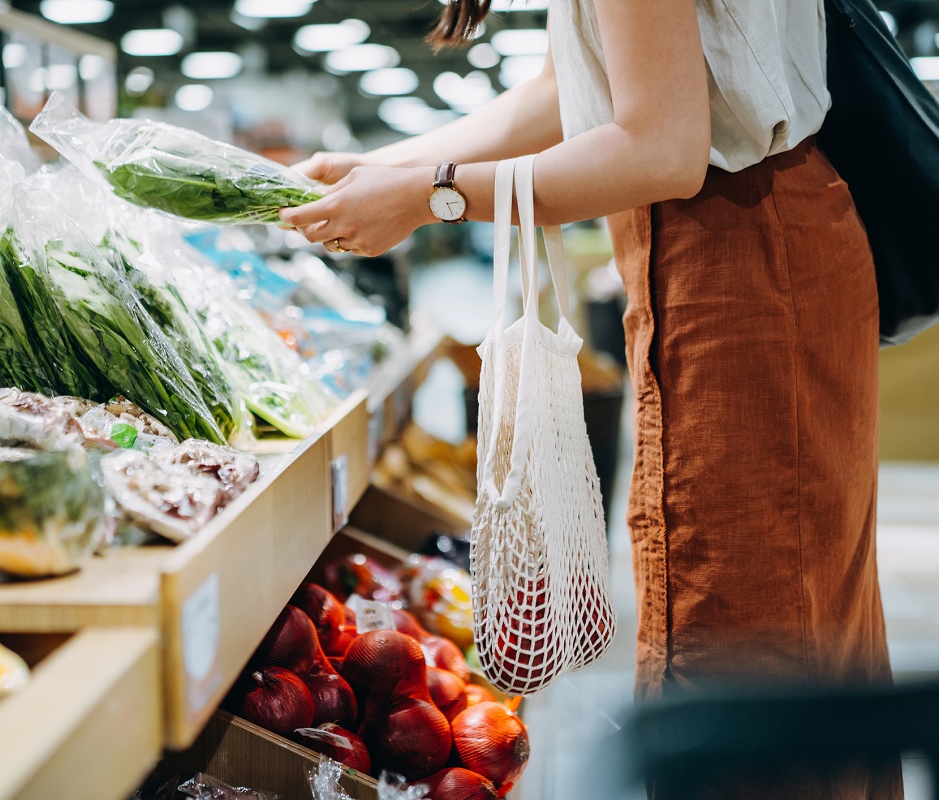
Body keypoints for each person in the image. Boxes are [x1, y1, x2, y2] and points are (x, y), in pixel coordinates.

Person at [281, 1, 901, 797]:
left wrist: (429, 196)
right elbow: (562, 93)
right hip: (751, 244)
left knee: (750, 649)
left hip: (737, 257)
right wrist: (383, 169)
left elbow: (663, 148)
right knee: (803, 633)